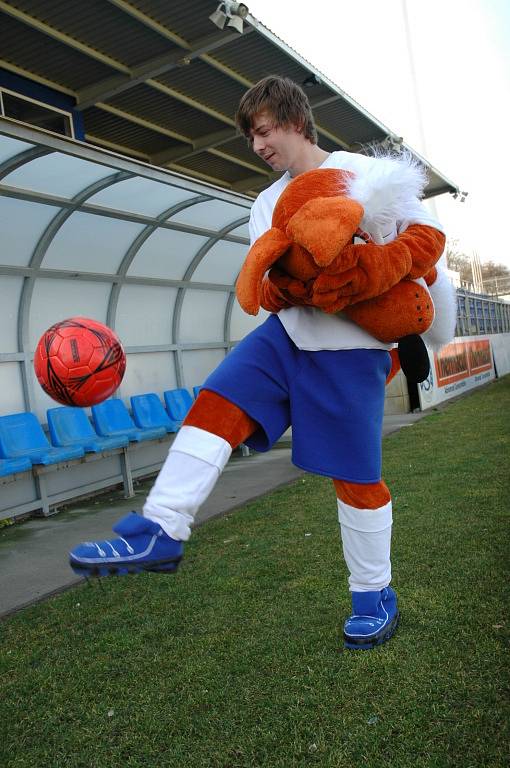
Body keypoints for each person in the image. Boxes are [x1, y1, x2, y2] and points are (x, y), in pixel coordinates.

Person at [69, 76, 446, 650]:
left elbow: (429, 238)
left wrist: (374, 275)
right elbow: (267, 277)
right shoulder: (264, 204)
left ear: (297, 121)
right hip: (287, 338)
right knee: (218, 398)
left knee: (356, 479)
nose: (258, 145)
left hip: (352, 351)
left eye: (265, 130)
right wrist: (290, 289)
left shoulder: (367, 172)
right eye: (251, 136)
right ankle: (161, 527)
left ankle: (373, 595)